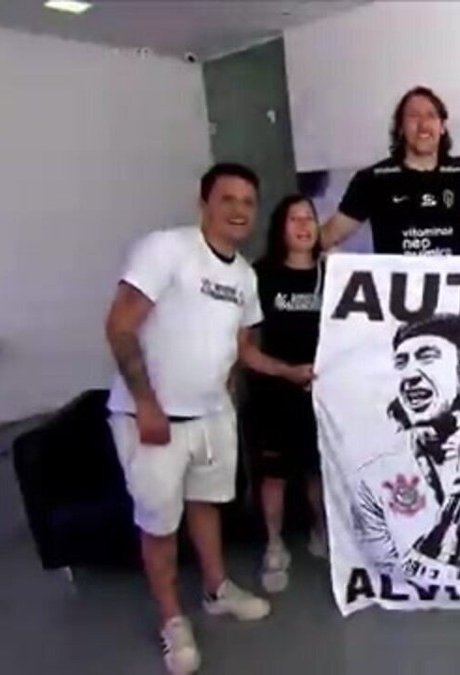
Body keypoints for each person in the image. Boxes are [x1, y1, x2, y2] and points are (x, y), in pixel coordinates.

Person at [104, 163, 315, 675]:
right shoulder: (166, 249)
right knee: (159, 524)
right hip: (154, 418)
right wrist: (147, 402)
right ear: (204, 203)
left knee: (207, 506)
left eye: (248, 201)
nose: (239, 210)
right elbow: (119, 326)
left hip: (213, 415)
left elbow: (243, 350)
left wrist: (290, 372)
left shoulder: (244, 275)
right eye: (228, 199)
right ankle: (173, 620)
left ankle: (217, 588)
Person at [350, 314, 460, 580]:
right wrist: (443, 533)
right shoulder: (372, 480)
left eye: (427, 357)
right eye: (401, 363)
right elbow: (384, 577)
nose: (410, 375)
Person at [246, 194, 329, 595]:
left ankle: (321, 531)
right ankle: (274, 545)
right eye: (293, 217)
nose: (303, 224)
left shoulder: (333, 273)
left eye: (309, 217)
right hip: (273, 392)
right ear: (280, 227)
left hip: (320, 391)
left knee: (318, 469)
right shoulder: (260, 275)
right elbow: (243, 345)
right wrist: (284, 371)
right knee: (274, 476)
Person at [318, 86, 460, 255]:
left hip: (451, 286)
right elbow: (328, 236)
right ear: (401, 128)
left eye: (431, 116)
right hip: (396, 287)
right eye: (413, 116)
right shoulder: (372, 180)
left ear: (442, 127)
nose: (423, 125)